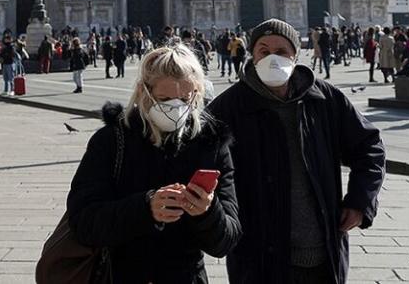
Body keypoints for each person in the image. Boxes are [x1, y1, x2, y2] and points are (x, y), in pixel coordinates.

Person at [208, 18, 384, 283]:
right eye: (264, 51)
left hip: (323, 254)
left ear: (295, 55)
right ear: (252, 55)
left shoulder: (324, 99)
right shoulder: (228, 108)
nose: (272, 59)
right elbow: (202, 166)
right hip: (259, 258)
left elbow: (369, 147)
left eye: (281, 52)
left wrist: (361, 201)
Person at [65, 44, 241, 283]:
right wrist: (146, 208)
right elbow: (83, 222)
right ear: (143, 93)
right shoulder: (112, 142)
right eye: (164, 99)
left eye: (184, 98)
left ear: (197, 93)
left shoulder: (211, 144)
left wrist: (208, 212)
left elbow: (226, 241)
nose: (175, 107)